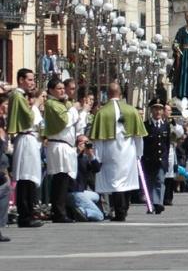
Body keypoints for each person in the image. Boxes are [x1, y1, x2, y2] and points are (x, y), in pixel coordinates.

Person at [91, 82, 148, 221]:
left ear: (108, 94)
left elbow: (98, 140)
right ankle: (124, 208)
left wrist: (96, 157)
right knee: (127, 181)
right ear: (120, 93)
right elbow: (138, 136)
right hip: (128, 150)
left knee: (115, 183)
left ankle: (119, 211)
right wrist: (139, 153)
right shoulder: (132, 110)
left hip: (110, 150)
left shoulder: (102, 112)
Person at [43, 76, 85, 222]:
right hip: (58, 144)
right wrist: (73, 109)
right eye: (59, 89)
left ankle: (62, 211)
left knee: (64, 179)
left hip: (66, 145)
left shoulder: (63, 103)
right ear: (51, 90)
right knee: (60, 179)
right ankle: (59, 212)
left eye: (62, 88)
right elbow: (65, 120)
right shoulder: (51, 104)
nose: (62, 91)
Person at [6, 68, 43, 228]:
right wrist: (34, 106)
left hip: (30, 139)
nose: (32, 83)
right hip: (25, 138)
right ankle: (25, 215)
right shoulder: (18, 96)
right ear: (21, 80)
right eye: (29, 79)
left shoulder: (20, 96)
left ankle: (28, 212)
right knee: (25, 177)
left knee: (29, 177)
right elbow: (29, 118)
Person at [141, 100, 173, 214]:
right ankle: (150, 205)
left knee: (160, 181)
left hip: (161, 159)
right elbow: (142, 144)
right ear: (151, 110)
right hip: (149, 160)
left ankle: (158, 203)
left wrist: (166, 159)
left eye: (160, 109)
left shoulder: (166, 126)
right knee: (149, 183)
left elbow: (167, 144)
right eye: (155, 109)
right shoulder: (145, 125)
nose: (158, 111)